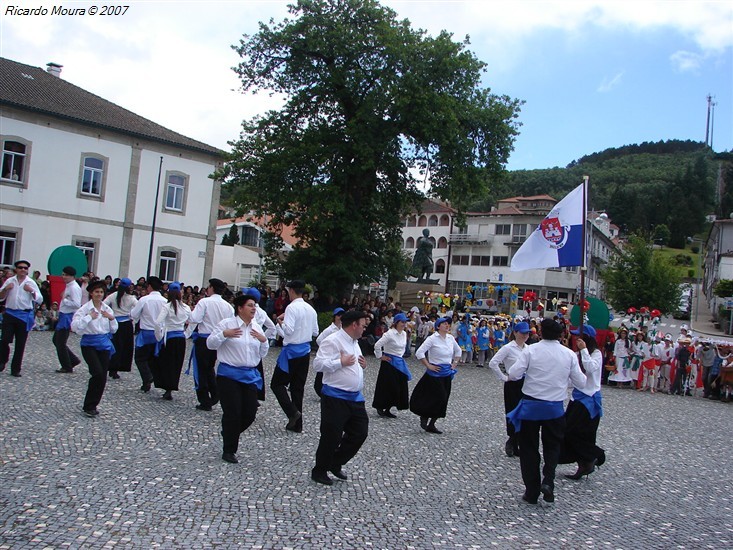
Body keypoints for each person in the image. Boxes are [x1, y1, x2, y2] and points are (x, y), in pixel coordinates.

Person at [506, 319, 586, 505]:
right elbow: (581, 382)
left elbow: (514, 373)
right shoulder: (569, 355)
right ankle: (548, 480)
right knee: (553, 446)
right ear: (560, 334)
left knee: (529, 448)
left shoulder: (531, 350)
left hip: (532, 406)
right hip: (554, 406)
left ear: (540, 332)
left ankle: (531, 490)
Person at [206, 293, 269, 464]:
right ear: (240, 308)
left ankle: (229, 433)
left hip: (249, 375)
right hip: (229, 375)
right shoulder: (226, 324)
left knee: (249, 413)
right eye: (250, 305)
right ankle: (229, 449)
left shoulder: (256, 326)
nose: (253, 308)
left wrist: (264, 341)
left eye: (255, 305)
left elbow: (262, 353)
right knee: (232, 412)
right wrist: (224, 334)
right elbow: (210, 344)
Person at [311, 310, 370, 485]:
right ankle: (319, 470)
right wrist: (340, 362)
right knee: (331, 436)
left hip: (355, 398)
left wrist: (362, 367)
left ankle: (335, 462)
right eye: (363, 325)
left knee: (360, 433)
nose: (364, 329)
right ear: (354, 325)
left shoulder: (355, 342)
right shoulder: (332, 341)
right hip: (335, 396)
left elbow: (354, 364)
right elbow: (318, 364)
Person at [271, 279, 319, 433]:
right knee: (298, 388)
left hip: (292, 351)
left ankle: (292, 412)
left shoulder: (292, 308)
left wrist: (280, 321)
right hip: (304, 351)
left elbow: (289, 331)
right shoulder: (310, 309)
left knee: (277, 384)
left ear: (291, 291)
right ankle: (297, 424)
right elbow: (315, 332)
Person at [561, 324, 606, 480]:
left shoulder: (596, 354)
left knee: (582, 432)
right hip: (577, 397)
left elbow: (590, 368)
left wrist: (584, 350)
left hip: (589, 399)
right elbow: (573, 376)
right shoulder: (577, 354)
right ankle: (585, 461)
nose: (576, 339)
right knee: (567, 430)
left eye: (579, 337)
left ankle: (593, 456)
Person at [71, 280, 118, 417]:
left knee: (102, 376)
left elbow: (114, 329)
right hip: (89, 344)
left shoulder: (107, 309)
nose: (99, 294)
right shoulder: (84, 309)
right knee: (96, 372)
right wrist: (88, 318)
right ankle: (89, 404)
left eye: (101, 292)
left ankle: (92, 405)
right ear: (91, 293)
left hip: (104, 344)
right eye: (96, 292)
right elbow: (75, 327)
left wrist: (111, 318)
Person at [188, 278, 234, 411]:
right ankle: (215, 393)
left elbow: (195, 318)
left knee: (201, 369)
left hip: (204, 338)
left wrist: (189, 314)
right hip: (219, 339)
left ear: (212, 288)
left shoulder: (204, 302)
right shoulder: (227, 306)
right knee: (210, 367)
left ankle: (204, 400)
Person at [410, 316, 461, 434]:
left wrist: (454, 364)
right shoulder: (432, 339)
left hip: (446, 373)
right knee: (433, 398)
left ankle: (432, 423)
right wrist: (428, 365)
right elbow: (419, 352)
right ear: (438, 326)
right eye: (444, 324)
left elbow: (458, 351)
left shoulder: (450, 338)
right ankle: (424, 416)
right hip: (434, 373)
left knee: (443, 399)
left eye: (448, 324)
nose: (447, 325)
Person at [488, 321, 531, 457]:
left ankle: (518, 441)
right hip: (513, 383)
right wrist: (504, 377)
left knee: (525, 414)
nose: (525, 335)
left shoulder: (529, 349)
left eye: (527, 333)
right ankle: (512, 439)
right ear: (515, 333)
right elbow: (493, 363)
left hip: (527, 384)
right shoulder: (508, 348)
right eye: (522, 333)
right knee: (513, 412)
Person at [0, 260, 42, 377]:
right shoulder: (10, 281)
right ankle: (2, 360)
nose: (23, 270)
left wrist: (32, 291)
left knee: (20, 343)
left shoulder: (31, 282)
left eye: (25, 268)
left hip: (23, 315)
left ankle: (16, 369)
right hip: (10, 314)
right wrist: (5, 289)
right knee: (4, 340)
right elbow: (1, 297)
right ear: (16, 269)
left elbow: (39, 299)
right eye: (20, 268)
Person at [154, 282, 191, 400]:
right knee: (177, 363)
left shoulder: (167, 306)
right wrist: (187, 333)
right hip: (181, 338)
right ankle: (172, 386)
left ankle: (167, 387)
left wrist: (158, 336)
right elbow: (193, 321)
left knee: (166, 363)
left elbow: (157, 322)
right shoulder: (186, 307)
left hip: (169, 338)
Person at [130, 276, 167, 393]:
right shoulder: (165, 301)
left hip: (146, 332)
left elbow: (134, 314)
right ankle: (150, 380)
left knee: (140, 358)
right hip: (159, 333)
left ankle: (147, 378)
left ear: (150, 287)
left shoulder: (144, 300)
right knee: (153, 358)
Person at [240, 287, 277, 401]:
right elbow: (272, 327)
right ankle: (255, 395)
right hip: (256, 344)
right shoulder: (262, 312)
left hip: (244, 342)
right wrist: (263, 337)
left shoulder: (244, 310)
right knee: (256, 369)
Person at [372, 312, 412, 418]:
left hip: (399, 362)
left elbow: (403, 348)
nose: (404, 324)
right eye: (402, 322)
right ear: (396, 323)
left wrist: (400, 357)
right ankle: (380, 406)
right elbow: (377, 345)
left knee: (399, 386)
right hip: (389, 363)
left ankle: (389, 407)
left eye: (405, 322)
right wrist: (380, 356)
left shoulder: (403, 333)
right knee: (387, 386)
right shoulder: (389, 334)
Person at [103, 278, 138, 379]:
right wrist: (132, 315)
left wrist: (109, 314)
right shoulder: (131, 298)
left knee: (114, 346)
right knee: (124, 348)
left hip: (114, 322)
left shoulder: (113, 295)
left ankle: (109, 366)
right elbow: (138, 308)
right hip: (126, 324)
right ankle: (117, 368)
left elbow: (104, 304)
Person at [54, 266, 82, 373]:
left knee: (60, 342)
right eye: (63, 274)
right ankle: (72, 360)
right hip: (64, 314)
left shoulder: (74, 287)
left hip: (67, 316)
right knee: (57, 340)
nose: (63, 277)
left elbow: (76, 304)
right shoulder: (69, 286)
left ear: (72, 276)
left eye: (66, 275)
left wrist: (64, 300)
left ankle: (67, 365)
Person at [314, 307, 345, 397]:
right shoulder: (329, 330)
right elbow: (319, 340)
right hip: (328, 356)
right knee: (322, 374)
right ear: (334, 317)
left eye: (342, 315)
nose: (340, 317)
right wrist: (326, 350)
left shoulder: (343, 329)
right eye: (338, 315)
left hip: (338, 357)